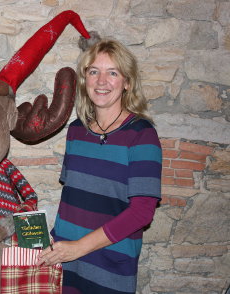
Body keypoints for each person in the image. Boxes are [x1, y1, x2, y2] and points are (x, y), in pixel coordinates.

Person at [36, 38, 162, 294]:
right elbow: (72, 198)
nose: (102, 81)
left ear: (127, 82)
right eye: (94, 72)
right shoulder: (75, 131)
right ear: (85, 80)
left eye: (112, 72)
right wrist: (52, 239)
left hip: (109, 266)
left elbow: (142, 213)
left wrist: (79, 246)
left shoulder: (141, 134)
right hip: (67, 262)